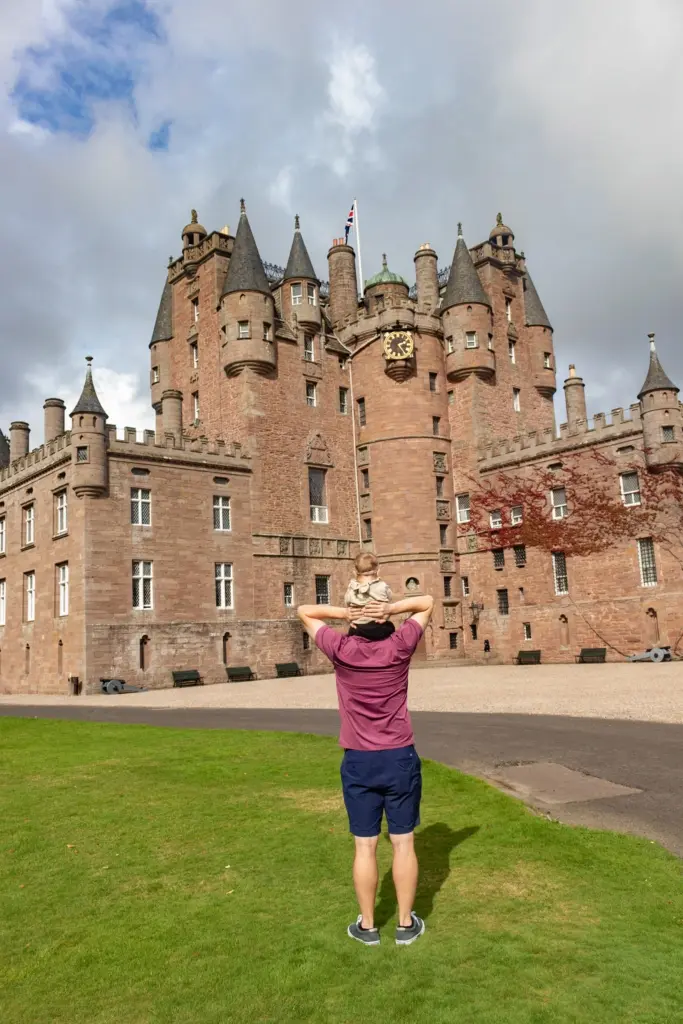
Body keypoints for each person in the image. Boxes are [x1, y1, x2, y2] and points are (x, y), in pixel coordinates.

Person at [297, 591, 434, 946]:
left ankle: (368, 926)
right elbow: (428, 602)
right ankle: (405, 925)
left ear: (356, 625)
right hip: (398, 755)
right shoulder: (399, 645)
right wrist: (387, 608)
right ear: (384, 623)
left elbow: (304, 611)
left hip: (359, 758)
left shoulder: (342, 650)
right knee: (403, 844)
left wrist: (348, 613)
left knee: (365, 846)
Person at [344, 552, 393, 631]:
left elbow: (347, 602)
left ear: (355, 572)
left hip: (357, 627)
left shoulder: (352, 587)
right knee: (390, 627)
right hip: (379, 625)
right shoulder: (382, 585)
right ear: (378, 571)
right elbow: (390, 598)